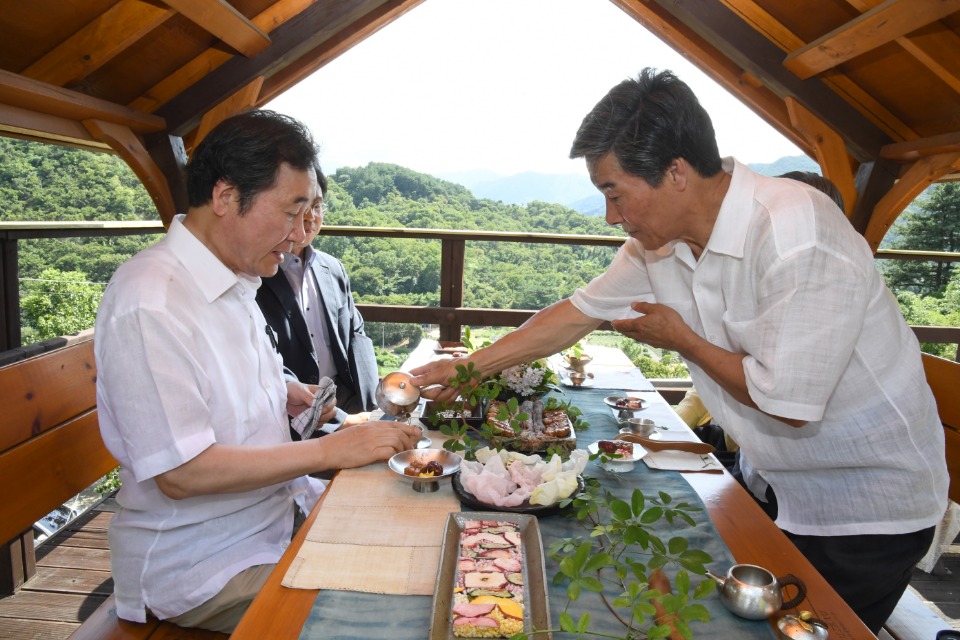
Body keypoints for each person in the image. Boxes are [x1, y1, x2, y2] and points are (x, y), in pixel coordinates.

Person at [411, 68, 947, 633]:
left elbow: (789, 399)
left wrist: (683, 340)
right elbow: (571, 317)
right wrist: (464, 371)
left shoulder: (795, 233)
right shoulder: (658, 246)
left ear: (676, 172)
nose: (612, 215)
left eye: (614, 193)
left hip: (866, 507)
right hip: (779, 483)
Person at [94, 109, 420, 632]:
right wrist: (327, 451)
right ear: (225, 198)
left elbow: (217, 388)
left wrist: (282, 391)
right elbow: (181, 473)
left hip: (273, 519)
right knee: (387, 617)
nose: (298, 235)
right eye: (292, 211)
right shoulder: (152, 301)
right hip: (206, 562)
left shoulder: (234, 276)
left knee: (416, 542)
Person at [257, 166, 378, 436]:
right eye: (300, 208)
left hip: (346, 404)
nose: (310, 218)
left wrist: (373, 406)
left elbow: (357, 336)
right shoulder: (257, 271)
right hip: (290, 415)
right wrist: (342, 422)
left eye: (318, 206)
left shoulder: (332, 268)